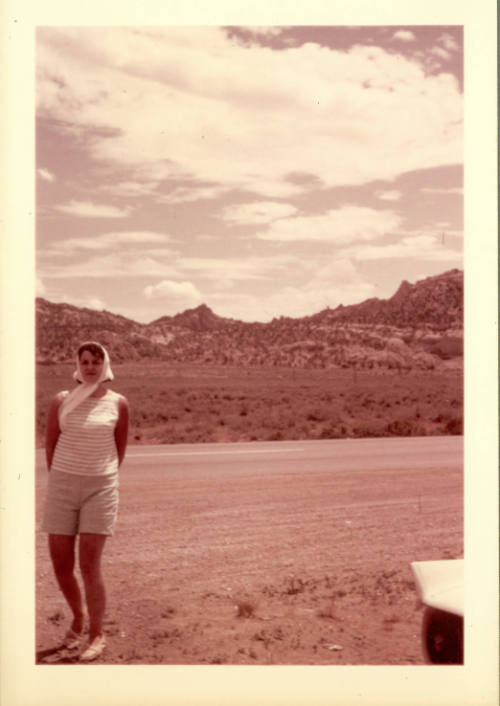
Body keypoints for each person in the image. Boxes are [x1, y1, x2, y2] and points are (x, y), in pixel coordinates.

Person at [41, 341, 129, 661]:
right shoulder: (61, 401)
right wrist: (66, 477)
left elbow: (119, 450)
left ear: (105, 365)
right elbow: (50, 445)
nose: (91, 366)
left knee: (89, 565)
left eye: (96, 361)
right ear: (77, 365)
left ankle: (97, 634)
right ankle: (78, 620)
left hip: (100, 488)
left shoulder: (118, 403)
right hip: (62, 486)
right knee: (61, 564)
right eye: (85, 361)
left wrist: (97, 475)